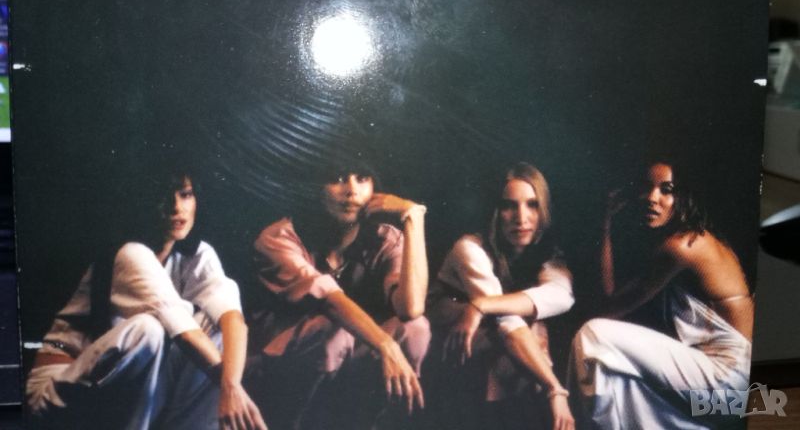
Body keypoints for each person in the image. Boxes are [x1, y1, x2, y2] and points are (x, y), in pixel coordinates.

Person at [26, 165, 267, 430]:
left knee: (217, 331)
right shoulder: (130, 253)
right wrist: (231, 389)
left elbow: (233, 319)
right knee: (149, 330)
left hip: (122, 395)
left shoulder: (197, 255)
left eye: (185, 194)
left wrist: (232, 386)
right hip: (61, 389)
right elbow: (185, 334)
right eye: (164, 195)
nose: (176, 207)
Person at [247, 154, 430, 430]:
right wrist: (386, 345)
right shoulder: (279, 238)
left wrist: (413, 218)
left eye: (362, 178)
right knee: (333, 330)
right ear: (315, 187)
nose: (352, 190)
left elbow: (411, 308)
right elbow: (330, 301)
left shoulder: (384, 239)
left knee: (415, 328)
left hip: (344, 366)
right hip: (273, 372)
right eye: (338, 178)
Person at [570, 160, 754, 429]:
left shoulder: (682, 247)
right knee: (618, 373)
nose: (651, 198)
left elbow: (609, 307)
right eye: (646, 188)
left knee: (593, 335)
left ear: (684, 197)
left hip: (725, 384)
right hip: (728, 385)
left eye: (666, 190)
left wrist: (605, 226)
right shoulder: (702, 238)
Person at [427, 162, 576, 430]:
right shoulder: (469, 248)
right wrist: (555, 389)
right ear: (495, 211)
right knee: (509, 350)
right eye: (509, 206)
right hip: (449, 339)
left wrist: (481, 305)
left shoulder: (548, 254)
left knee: (534, 338)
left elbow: (561, 296)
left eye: (532, 205)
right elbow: (507, 321)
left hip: (499, 333)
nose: (521, 217)